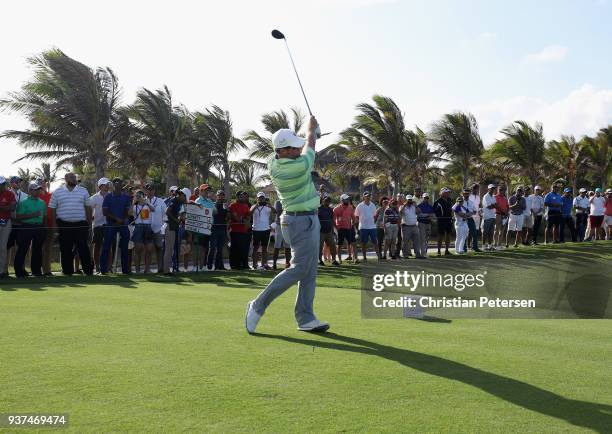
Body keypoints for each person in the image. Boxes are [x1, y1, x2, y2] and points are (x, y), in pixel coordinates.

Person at [245, 116, 330, 334]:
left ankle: (305, 318)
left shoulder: (274, 161)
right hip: (300, 221)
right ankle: (258, 305)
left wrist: (312, 135)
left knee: (310, 270)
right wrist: (312, 131)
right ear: (282, 150)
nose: (297, 149)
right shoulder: (297, 167)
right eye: (292, 148)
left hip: (304, 219)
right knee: (300, 268)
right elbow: (309, 148)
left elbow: (306, 147)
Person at [49, 172, 93, 275]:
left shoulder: (83, 191)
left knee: (83, 248)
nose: (74, 179)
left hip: (80, 224)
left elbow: (88, 207)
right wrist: (55, 225)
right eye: (72, 177)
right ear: (66, 179)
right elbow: (53, 208)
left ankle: (88, 271)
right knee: (65, 249)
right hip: (64, 225)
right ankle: (67, 271)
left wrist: (89, 223)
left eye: (75, 177)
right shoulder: (57, 192)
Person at [14, 182, 47, 277]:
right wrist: (32, 215)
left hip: (39, 227)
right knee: (22, 249)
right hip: (26, 226)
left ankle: (36, 271)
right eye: (36, 190)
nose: (38, 192)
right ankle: (19, 272)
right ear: (30, 191)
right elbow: (18, 217)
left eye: (38, 190)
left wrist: (44, 228)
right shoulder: (24, 203)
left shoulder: (42, 202)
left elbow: (44, 217)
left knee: (38, 249)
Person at [99, 178, 132, 274]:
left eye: (120, 182)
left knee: (125, 247)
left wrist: (123, 219)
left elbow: (127, 211)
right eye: (115, 182)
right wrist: (116, 219)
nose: (117, 183)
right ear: (113, 184)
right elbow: (105, 212)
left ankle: (125, 270)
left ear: (122, 184)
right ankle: (103, 270)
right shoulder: (108, 197)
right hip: (111, 225)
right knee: (106, 246)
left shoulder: (126, 197)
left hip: (123, 224)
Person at [90, 177, 111, 273]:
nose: (107, 186)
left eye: (107, 184)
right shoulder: (94, 197)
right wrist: (91, 218)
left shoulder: (111, 196)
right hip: (97, 225)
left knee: (108, 246)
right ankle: (97, 266)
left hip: (109, 225)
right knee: (97, 246)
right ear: (100, 186)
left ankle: (109, 267)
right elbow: (89, 210)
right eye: (105, 185)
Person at [163, 189, 186, 275]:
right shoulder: (174, 200)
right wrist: (176, 220)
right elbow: (167, 212)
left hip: (173, 227)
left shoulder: (179, 202)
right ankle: (166, 271)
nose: (184, 197)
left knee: (170, 249)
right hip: (170, 226)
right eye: (183, 196)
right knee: (169, 249)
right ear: (180, 195)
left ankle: (167, 270)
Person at [193, 184, 216, 271]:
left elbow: (215, 211)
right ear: (201, 191)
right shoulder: (198, 200)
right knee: (198, 248)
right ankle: (195, 267)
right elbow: (195, 212)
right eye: (206, 190)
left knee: (204, 248)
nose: (207, 192)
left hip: (208, 226)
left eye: (208, 190)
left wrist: (211, 208)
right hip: (199, 227)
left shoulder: (210, 201)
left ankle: (202, 266)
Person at [132, 189, 155, 273]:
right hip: (138, 227)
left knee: (149, 249)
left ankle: (147, 269)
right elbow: (129, 213)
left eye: (140, 195)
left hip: (147, 227)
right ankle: (137, 270)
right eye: (137, 195)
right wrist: (133, 202)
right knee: (138, 249)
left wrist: (147, 202)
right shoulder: (134, 206)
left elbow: (153, 209)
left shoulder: (147, 205)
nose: (139, 197)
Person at [145, 183, 166, 272]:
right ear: (145, 190)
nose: (150, 191)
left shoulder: (160, 201)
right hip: (147, 229)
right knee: (148, 250)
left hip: (158, 229)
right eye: (149, 189)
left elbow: (165, 215)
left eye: (152, 189)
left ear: (154, 190)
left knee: (159, 249)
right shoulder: (142, 201)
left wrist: (164, 227)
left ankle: (160, 268)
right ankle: (147, 269)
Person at [250, 191, 274, 270]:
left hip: (266, 230)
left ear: (264, 198)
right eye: (259, 198)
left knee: (264, 248)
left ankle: (264, 264)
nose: (261, 199)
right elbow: (249, 213)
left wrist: (270, 206)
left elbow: (276, 212)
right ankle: (254, 264)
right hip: (256, 229)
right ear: (257, 198)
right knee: (255, 248)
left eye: (262, 198)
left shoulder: (267, 207)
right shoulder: (254, 206)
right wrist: (256, 205)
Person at [354, 191, 381, 261]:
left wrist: (373, 222)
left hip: (372, 227)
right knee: (363, 243)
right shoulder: (359, 205)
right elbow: (356, 216)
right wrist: (358, 226)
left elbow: (375, 215)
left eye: (369, 196)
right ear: (363, 197)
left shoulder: (373, 205)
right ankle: (364, 257)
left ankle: (379, 257)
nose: (368, 197)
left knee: (375, 242)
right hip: (363, 227)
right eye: (366, 196)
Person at [229, 191, 251, 270]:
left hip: (243, 230)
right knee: (235, 248)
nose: (242, 198)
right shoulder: (233, 205)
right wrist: (243, 219)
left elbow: (248, 216)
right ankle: (234, 265)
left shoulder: (245, 206)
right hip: (235, 230)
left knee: (243, 248)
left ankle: (242, 265)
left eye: (243, 196)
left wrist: (245, 219)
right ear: (237, 197)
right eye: (240, 196)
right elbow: (236, 218)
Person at [207, 190, 228, 270]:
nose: (221, 196)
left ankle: (219, 266)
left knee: (220, 249)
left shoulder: (225, 205)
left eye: (222, 195)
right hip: (214, 229)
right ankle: (209, 266)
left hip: (222, 229)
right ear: (217, 196)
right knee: (212, 248)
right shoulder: (213, 205)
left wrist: (227, 209)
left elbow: (226, 217)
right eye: (219, 195)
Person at [37, 178, 54, 276]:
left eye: (44, 183)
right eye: (40, 183)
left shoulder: (51, 195)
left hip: (50, 224)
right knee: (37, 247)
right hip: (38, 224)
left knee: (48, 248)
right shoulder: (36, 196)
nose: (43, 184)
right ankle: (37, 269)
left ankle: (47, 270)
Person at [333, 193, 357, 263]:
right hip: (340, 229)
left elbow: (353, 217)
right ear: (342, 200)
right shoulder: (336, 209)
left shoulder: (350, 207)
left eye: (348, 199)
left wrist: (353, 224)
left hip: (349, 228)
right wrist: (336, 228)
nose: (347, 200)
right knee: (339, 245)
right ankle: (340, 260)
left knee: (353, 243)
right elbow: (333, 220)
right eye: (346, 199)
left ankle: (355, 259)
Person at [0, 177, 16, 278]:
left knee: (2, 247)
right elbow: (8, 207)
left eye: (2, 184)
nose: (1, 186)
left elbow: (12, 207)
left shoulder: (10, 194)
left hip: (6, 222)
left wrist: (2, 208)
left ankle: (1, 271)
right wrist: (5, 207)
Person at [399, 194, 424, 259]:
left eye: (410, 200)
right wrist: (404, 205)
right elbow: (400, 213)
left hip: (414, 226)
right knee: (405, 241)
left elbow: (419, 212)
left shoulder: (414, 207)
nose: (409, 201)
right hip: (406, 227)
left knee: (416, 241)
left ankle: (417, 254)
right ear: (406, 200)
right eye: (408, 200)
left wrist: (416, 206)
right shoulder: (402, 206)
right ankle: (405, 255)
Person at [318, 193, 339, 266]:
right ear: (323, 200)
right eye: (326, 200)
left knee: (332, 245)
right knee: (319, 246)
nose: (327, 202)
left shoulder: (330, 209)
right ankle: (320, 260)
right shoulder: (319, 209)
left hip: (329, 230)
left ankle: (334, 260)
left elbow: (332, 220)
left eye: (328, 201)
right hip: (321, 231)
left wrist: (335, 228)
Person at [272, 197, 291, 270]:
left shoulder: (289, 201)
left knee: (287, 246)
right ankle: (274, 263)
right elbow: (278, 212)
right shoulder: (278, 202)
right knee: (277, 245)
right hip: (279, 225)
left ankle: (287, 263)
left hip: (287, 225)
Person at [434, 187, 453, 255]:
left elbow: (451, 210)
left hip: (449, 220)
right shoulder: (437, 201)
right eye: (446, 192)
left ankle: (446, 250)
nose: (448, 194)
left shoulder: (449, 200)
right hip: (441, 221)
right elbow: (435, 212)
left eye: (448, 192)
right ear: (442, 193)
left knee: (448, 235)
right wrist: (437, 217)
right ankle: (439, 251)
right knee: (440, 236)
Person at [462, 188, 481, 252]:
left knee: (474, 233)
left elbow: (475, 211)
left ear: (469, 194)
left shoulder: (471, 202)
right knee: (464, 234)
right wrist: (465, 214)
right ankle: (464, 248)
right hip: (463, 219)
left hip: (470, 218)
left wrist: (471, 213)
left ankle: (475, 247)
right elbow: (455, 209)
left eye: (468, 193)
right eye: (465, 193)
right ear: (463, 194)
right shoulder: (460, 202)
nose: (466, 195)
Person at [481, 184, 497, 251]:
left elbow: (495, 205)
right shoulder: (485, 196)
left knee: (491, 232)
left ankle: (490, 246)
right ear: (488, 189)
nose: (493, 189)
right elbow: (489, 206)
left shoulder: (493, 196)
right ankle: (484, 246)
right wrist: (493, 205)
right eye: (491, 188)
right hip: (487, 217)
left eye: (493, 188)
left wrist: (493, 205)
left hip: (493, 216)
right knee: (485, 232)